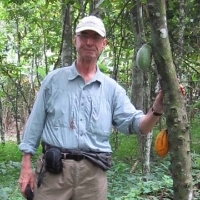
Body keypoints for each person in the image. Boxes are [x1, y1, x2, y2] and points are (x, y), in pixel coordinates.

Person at [18, 15, 163, 200]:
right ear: (75, 40)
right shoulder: (53, 80)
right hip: (53, 174)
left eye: (95, 37)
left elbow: (138, 125)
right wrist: (26, 166)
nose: (88, 41)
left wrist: (157, 108)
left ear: (103, 44)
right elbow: (35, 123)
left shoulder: (112, 89)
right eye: (84, 35)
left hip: (93, 177)